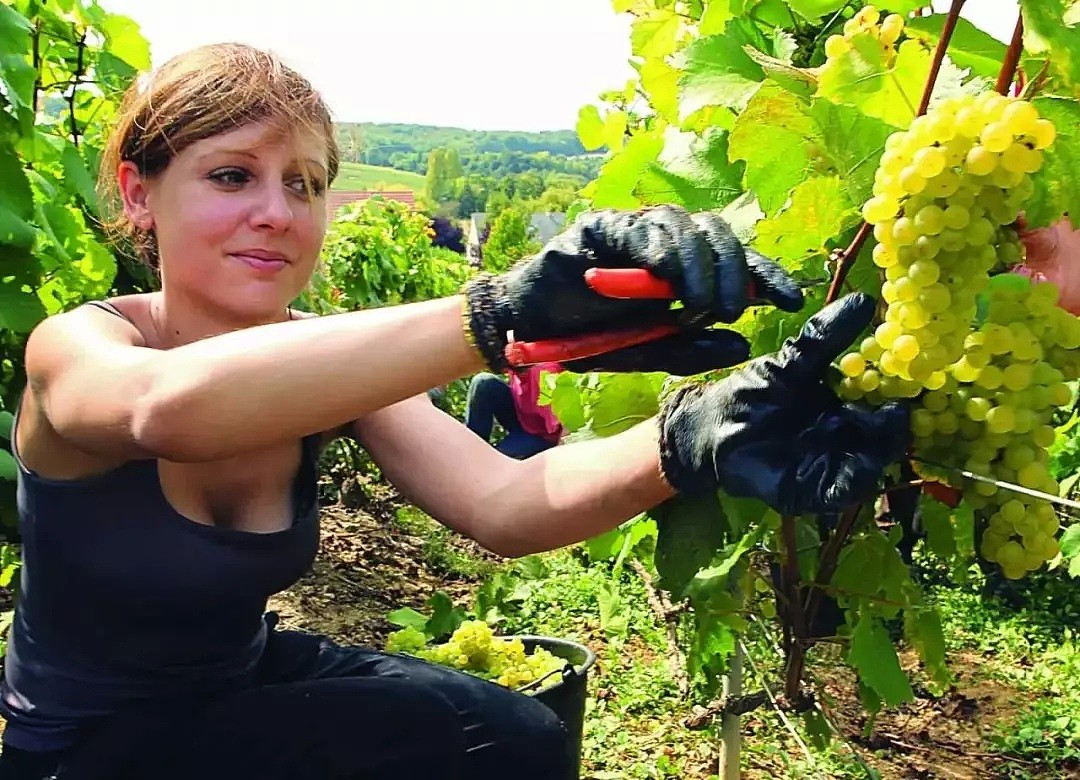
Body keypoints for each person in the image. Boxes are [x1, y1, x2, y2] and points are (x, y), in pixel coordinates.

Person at [1, 42, 910, 780]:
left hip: (237, 685)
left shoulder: (330, 364)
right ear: (135, 193)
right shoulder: (78, 350)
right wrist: (495, 314)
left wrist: (693, 433)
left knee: (516, 741)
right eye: (232, 176)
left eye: (306, 183)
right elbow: (165, 411)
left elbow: (506, 506)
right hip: (86, 748)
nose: (278, 212)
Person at [465, 362, 564, 459]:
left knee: (495, 459)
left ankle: (481, 461)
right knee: (483, 382)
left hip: (543, 436)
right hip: (522, 417)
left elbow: (567, 427)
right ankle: (472, 452)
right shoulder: (515, 363)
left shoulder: (545, 375)